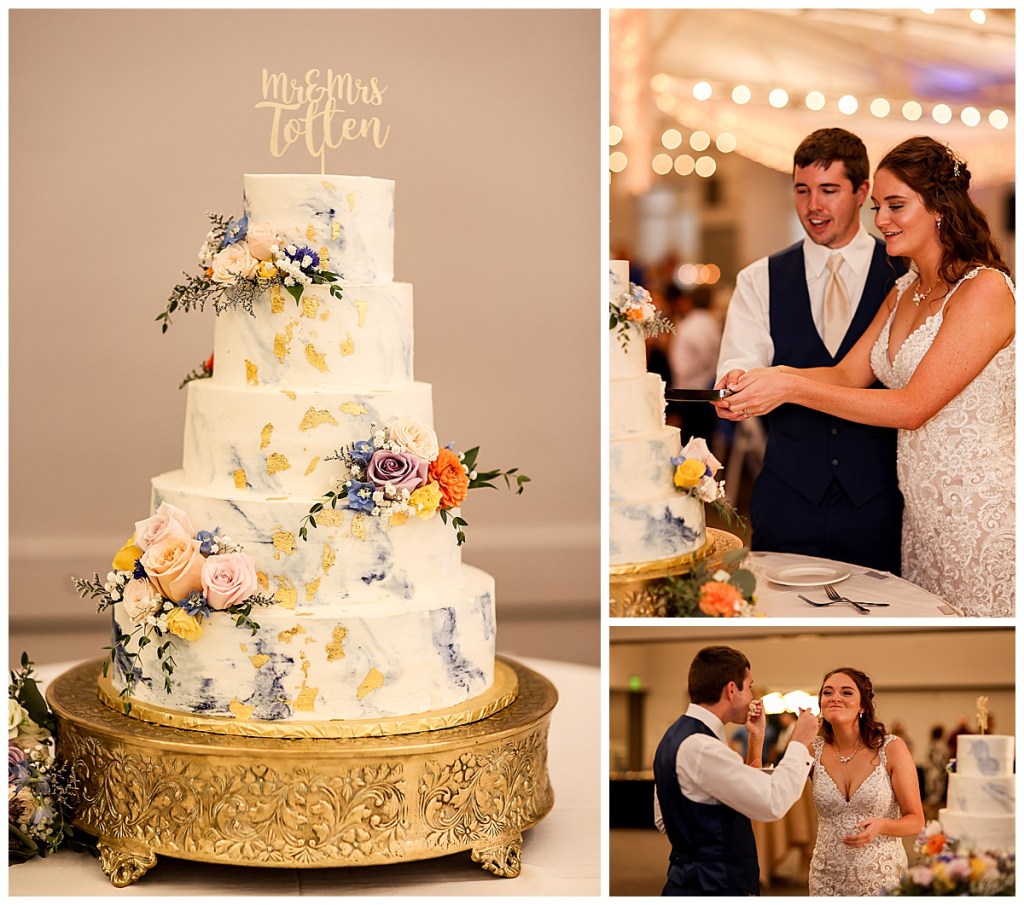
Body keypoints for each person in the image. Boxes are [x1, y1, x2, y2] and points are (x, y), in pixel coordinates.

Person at [717, 136, 1015, 615]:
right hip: (922, 516)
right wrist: (765, 379)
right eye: (879, 207)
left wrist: (789, 386)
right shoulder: (903, 290)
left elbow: (913, 407)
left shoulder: (984, 290)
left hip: (978, 511)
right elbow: (846, 374)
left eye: (896, 206)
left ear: (940, 208)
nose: (881, 220)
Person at [715, 128, 906, 573]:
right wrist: (737, 384)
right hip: (788, 497)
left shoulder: (905, 274)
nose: (813, 205)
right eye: (802, 190)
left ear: (862, 192)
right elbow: (739, 363)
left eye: (829, 190)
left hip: (881, 499)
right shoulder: (758, 279)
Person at [653, 645, 818, 896]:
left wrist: (756, 740)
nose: (752, 696)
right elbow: (772, 802)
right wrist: (799, 743)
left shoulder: (675, 736)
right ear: (731, 689)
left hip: (686, 883)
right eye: (749, 687)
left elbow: (664, 819)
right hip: (714, 887)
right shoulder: (703, 748)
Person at [805, 667, 923, 896]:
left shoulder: (892, 748)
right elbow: (771, 794)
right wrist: (757, 739)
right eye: (828, 692)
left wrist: (882, 826)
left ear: (863, 706)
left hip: (881, 879)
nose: (835, 697)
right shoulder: (812, 750)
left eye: (846, 692)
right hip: (826, 880)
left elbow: (916, 821)